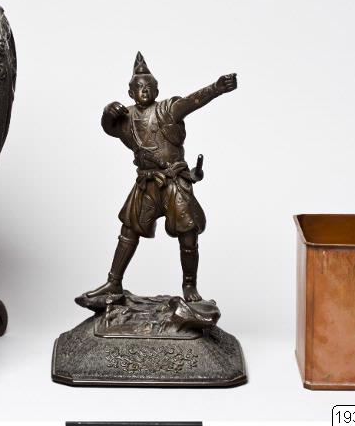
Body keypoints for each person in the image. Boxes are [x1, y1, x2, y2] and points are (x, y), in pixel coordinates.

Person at [81, 52, 238, 302]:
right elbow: (108, 127)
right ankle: (114, 282)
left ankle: (189, 286)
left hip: (174, 182)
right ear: (130, 92)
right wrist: (108, 112)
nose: (144, 90)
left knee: (188, 234)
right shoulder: (126, 117)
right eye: (138, 87)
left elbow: (193, 101)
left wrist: (216, 88)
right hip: (147, 183)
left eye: (149, 86)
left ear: (157, 90)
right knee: (128, 231)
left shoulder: (168, 110)